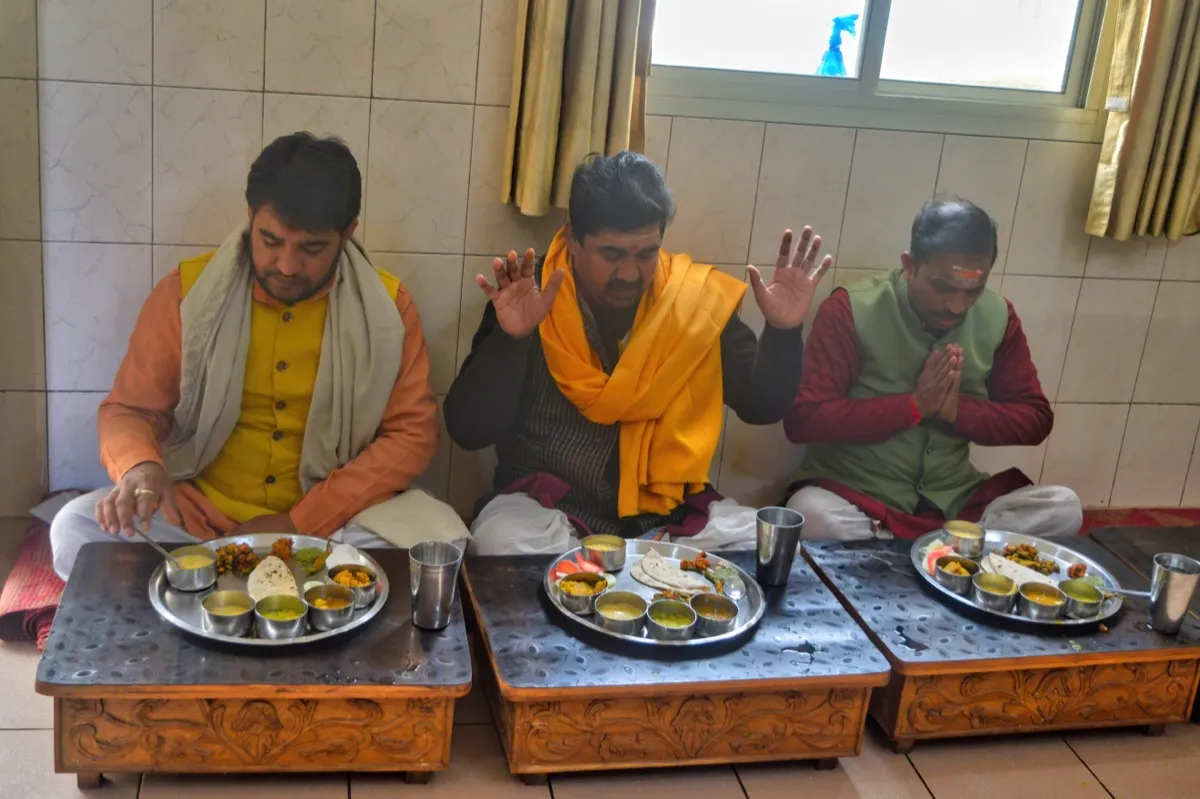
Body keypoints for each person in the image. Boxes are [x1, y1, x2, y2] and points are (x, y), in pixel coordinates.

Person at [50, 132, 467, 580]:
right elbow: (130, 409)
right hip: (198, 518)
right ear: (250, 218)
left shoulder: (388, 309)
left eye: (311, 248)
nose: (286, 266)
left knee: (445, 545)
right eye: (271, 240)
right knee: (75, 528)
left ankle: (220, 583)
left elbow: (411, 434)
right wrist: (141, 467)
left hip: (333, 523)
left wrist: (297, 523)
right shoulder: (187, 295)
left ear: (347, 234)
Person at [445, 151, 832, 555]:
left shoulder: (690, 299)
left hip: (669, 514)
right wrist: (512, 340)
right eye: (612, 255)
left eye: (646, 254)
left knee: (762, 546)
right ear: (574, 238)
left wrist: (784, 331)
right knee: (500, 544)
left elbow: (762, 405)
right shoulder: (529, 296)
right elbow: (468, 431)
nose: (630, 274)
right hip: (548, 510)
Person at [783, 199, 1082, 541]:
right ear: (909, 266)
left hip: (955, 502)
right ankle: (951, 549)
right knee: (810, 513)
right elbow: (804, 419)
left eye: (974, 290)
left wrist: (956, 412)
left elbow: (1036, 419)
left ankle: (937, 544)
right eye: (943, 287)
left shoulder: (999, 317)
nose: (956, 306)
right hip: (859, 498)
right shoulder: (850, 309)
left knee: (1064, 507)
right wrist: (913, 407)